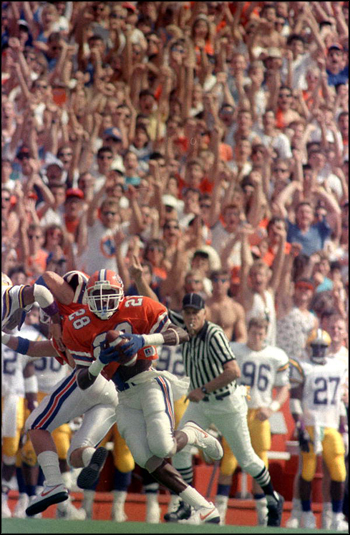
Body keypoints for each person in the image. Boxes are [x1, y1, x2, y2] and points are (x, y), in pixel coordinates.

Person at [60, 268, 225, 525]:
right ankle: (203, 506)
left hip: (150, 382)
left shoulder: (139, 306)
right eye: (98, 295)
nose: (103, 301)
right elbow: (83, 380)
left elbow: (181, 333)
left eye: (109, 294)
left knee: (163, 446)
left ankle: (193, 432)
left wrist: (143, 339)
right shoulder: (77, 324)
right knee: (147, 459)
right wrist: (98, 362)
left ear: (122, 294)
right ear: (89, 297)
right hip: (122, 396)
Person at [214, 317, 290, 525]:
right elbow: (219, 375)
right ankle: (220, 513)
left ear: (266, 333)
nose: (257, 337)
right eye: (254, 332)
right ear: (248, 330)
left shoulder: (275, 355)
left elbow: (284, 387)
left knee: (260, 461)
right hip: (237, 410)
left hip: (259, 413)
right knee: (229, 460)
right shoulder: (234, 349)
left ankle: (263, 515)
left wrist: (273, 407)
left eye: (261, 333)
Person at [289, 329, 348, 530]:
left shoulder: (337, 366)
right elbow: (295, 399)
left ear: (328, 347)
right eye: (316, 346)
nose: (319, 350)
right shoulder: (301, 366)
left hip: (331, 425)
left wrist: (344, 428)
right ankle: (306, 513)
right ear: (309, 346)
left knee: (339, 471)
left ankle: (337, 515)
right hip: (311, 424)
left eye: (323, 347)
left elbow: (339, 401)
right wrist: (300, 426)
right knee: (307, 470)